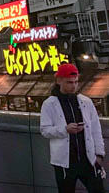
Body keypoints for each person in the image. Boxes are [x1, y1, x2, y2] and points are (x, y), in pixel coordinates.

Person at [40, 62, 105, 193]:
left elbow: (95, 129)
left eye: (76, 82)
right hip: (65, 162)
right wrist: (65, 129)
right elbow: (45, 130)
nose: (74, 86)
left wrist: (99, 154)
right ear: (59, 81)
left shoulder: (85, 101)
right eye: (70, 82)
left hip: (88, 159)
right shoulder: (49, 104)